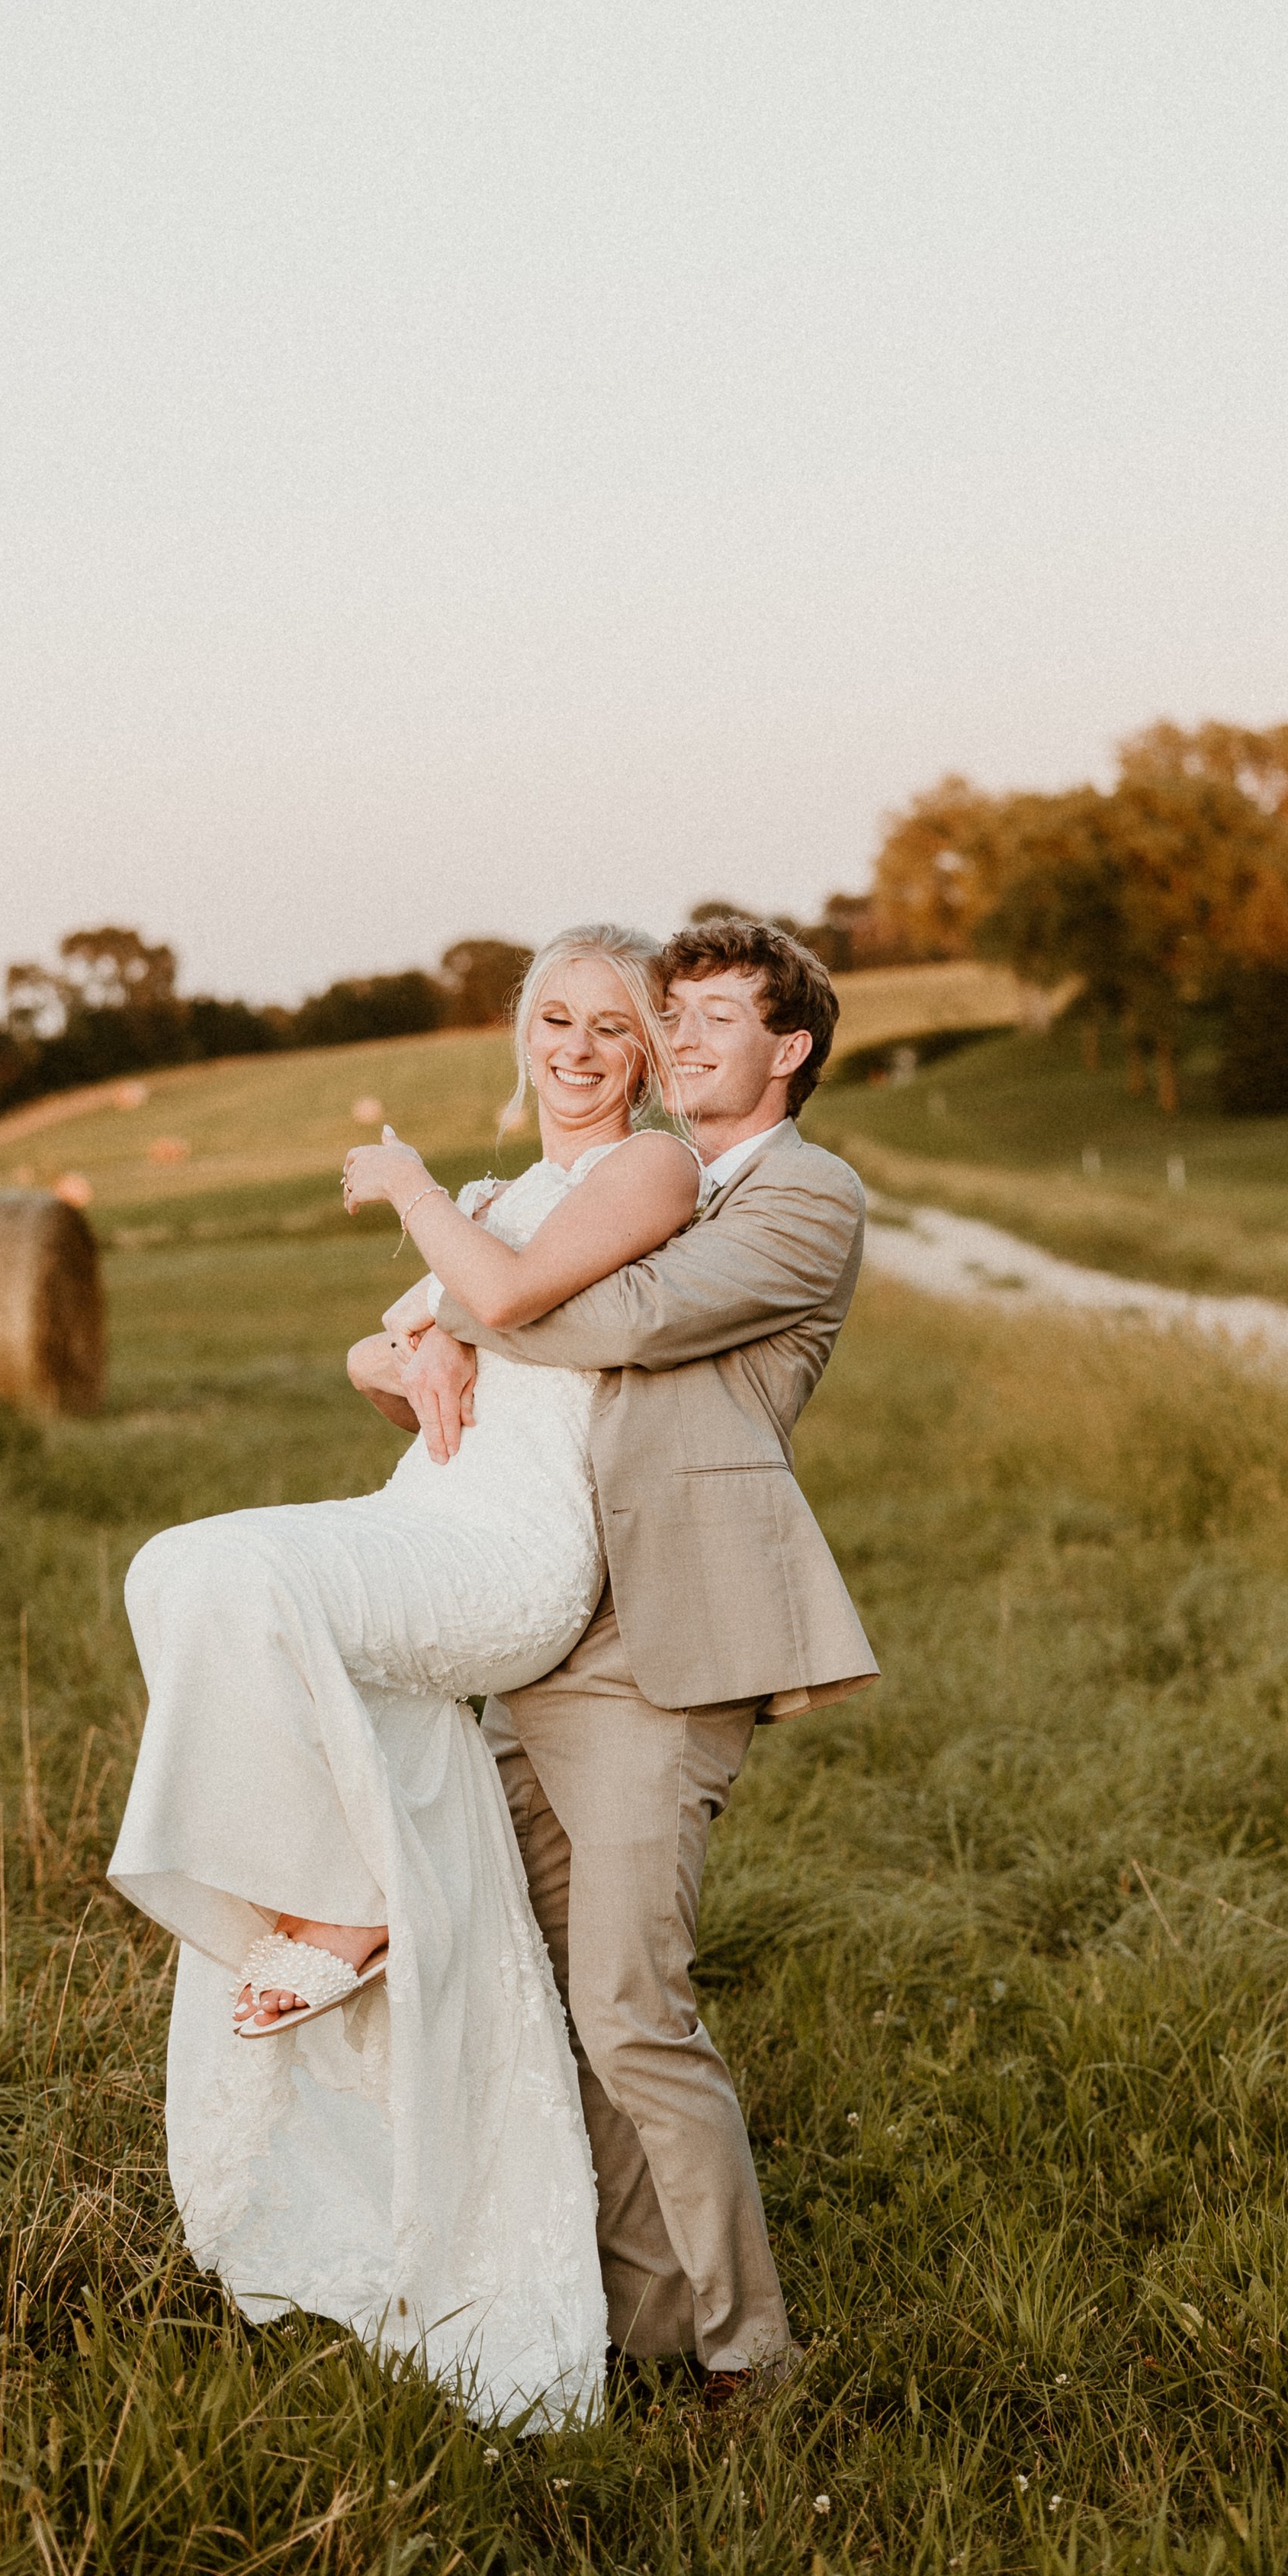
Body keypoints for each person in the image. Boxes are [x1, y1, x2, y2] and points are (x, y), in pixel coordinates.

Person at [109, 924, 716, 2428]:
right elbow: (387, 1350)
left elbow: (504, 1300)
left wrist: (415, 1202)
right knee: (172, 1566)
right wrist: (404, 1362)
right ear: (522, 1030)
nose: (576, 1050)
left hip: (515, 1555)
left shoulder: (645, 1174)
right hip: (427, 1513)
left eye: (611, 1028)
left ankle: (354, 1900)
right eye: (555, 1019)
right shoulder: (504, 1195)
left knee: (242, 1575)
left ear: (647, 1055)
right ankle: (346, 1891)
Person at [368, 918, 878, 2405]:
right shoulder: (620, 1183)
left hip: (663, 1651)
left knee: (630, 2010)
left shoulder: (802, 1195)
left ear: (785, 1050)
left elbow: (631, 1321)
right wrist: (439, 1331)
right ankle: (635, 2322)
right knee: (548, 1998)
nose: (687, 1034)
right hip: (540, 1619)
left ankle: (751, 2355)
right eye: (680, 1012)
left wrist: (460, 1301)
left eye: (722, 1014)